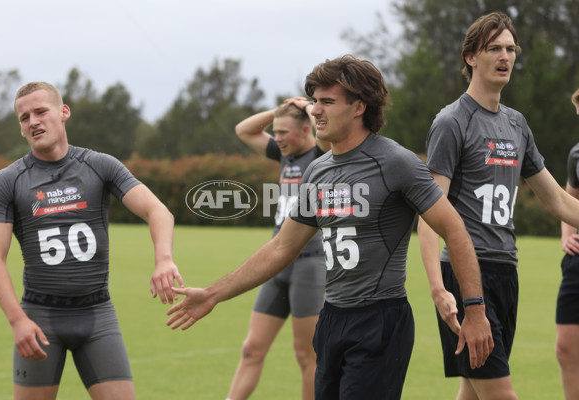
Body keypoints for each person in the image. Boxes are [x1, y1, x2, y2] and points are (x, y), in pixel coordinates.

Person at [166, 55, 493, 400]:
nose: (316, 110)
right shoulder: (317, 171)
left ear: (358, 107)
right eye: (314, 101)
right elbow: (282, 247)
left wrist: (475, 309)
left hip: (379, 321)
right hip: (332, 318)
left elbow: (455, 230)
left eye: (326, 102)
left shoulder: (397, 163)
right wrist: (214, 294)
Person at [0, 81, 183, 400]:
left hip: (97, 316)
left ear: (63, 113)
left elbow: (158, 211)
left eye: (40, 111)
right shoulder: (9, 181)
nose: (33, 121)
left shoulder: (99, 165)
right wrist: (17, 321)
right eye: (24, 117)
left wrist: (164, 259)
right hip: (38, 318)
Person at [417, 12, 579, 400]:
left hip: (507, 272)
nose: (505, 56)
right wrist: (439, 289)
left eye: (510, 48)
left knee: (473, 393)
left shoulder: (517, 124)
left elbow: (556, 199)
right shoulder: (452, 122)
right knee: (500, 394)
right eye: (494, 48)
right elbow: (428, 212)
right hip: (467, 277)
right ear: (471, 57)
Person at [226, 98, 329, 400]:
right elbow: (244, 130)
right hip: (276, 263)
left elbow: (325, 132)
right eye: (276, 132)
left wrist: (308, 106)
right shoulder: (285, 155)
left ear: (306, 130)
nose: (278, 138)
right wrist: (281, 111)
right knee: (251, 348)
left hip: (310, 264)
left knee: (305, 355)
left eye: (285, 132)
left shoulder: (321, 154)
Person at [557, 87, 579, 399]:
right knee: (566, 349)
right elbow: (567, 198)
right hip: (576, 266)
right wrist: (567, 237)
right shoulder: (577, 153)